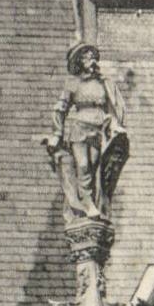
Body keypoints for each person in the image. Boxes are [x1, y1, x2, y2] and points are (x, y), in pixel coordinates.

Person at [44, 42, 129, 221]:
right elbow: (61, 108)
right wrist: (56, 134)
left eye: (92, 56)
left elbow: (112, 108)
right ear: (80, 61)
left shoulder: (103, 83)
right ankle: (87, 204)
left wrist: (114, 125)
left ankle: (93, 203)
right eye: (87, 57)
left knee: (94, 167)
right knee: (82, 166)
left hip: (98, 129)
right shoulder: (72, 83)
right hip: (79, 128)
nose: (91, 60)